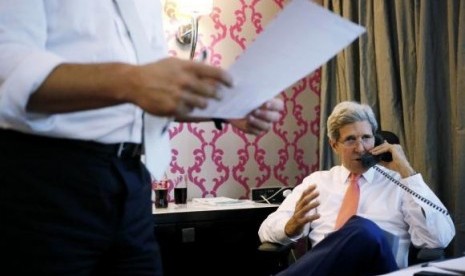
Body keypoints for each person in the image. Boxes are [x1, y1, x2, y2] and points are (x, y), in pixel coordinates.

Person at [0, 1, 284, 275]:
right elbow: (8, 69)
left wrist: (225, 108)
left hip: (132, 183)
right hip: (43, 181)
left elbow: (140, 100)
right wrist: (132, 80)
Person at [258, 101, 455, 275]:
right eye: (351, 139)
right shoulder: (317, 182)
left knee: (362, 228)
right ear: (334, 145)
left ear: (377, 141)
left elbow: (439, 239)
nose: (361, 148)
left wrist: (406, 170)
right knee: (357, 229)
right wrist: (289, 227)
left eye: (367, 138)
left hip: (382, 271)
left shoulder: (401, 184)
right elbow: (265, 230)